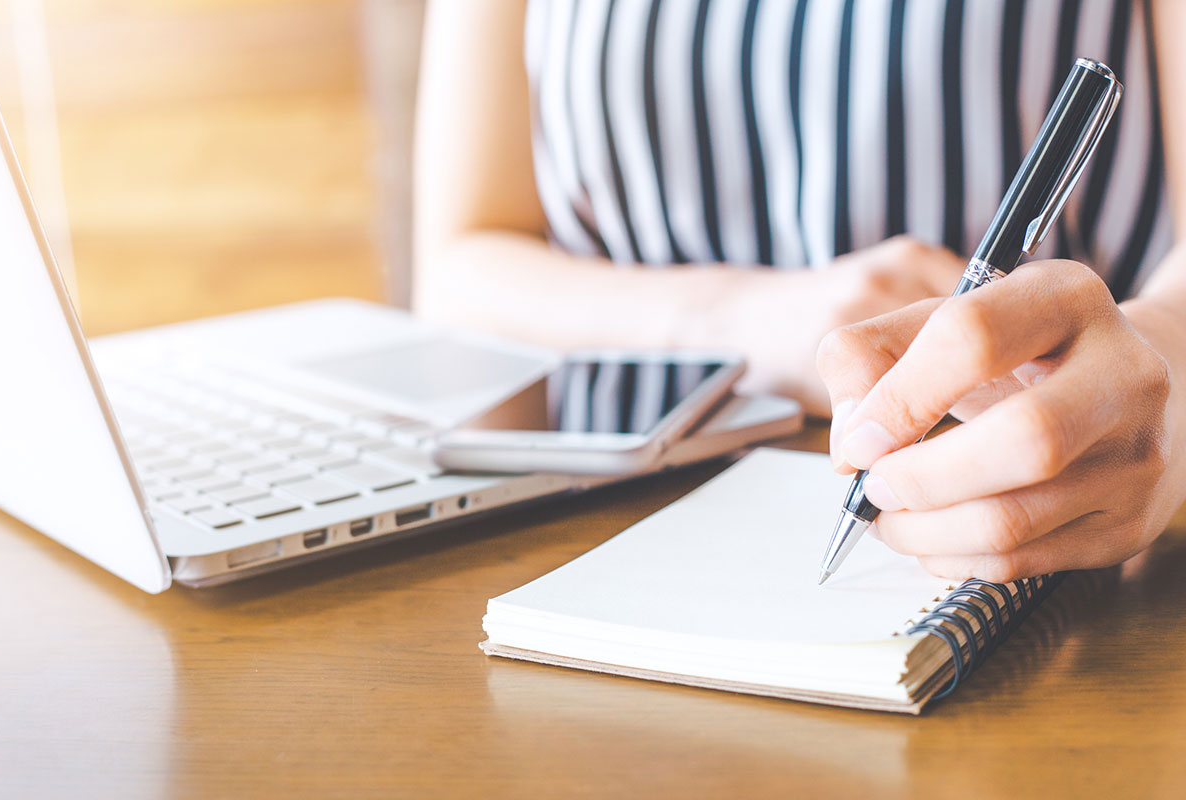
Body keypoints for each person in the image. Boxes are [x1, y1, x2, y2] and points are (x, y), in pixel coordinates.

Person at [411, 0, 1186, 582]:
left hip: (1050, 521)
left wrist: (1163, 377)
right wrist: (757, 320)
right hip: (587, 513)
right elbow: (456, 269)